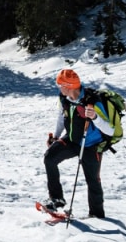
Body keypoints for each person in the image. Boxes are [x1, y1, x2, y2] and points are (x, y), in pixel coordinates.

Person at [42, 69, 118, 219]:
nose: (59, 88)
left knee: (93, 180)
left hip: (91, 145)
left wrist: (95, 117)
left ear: (69, 86)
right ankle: (56, 199)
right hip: (72, 140)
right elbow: (61, 117)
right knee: (49, 158)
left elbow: (110, 130)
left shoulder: (92, 100)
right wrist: (56, 136)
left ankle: (97, 215)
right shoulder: (64, 98)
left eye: (60, 85)